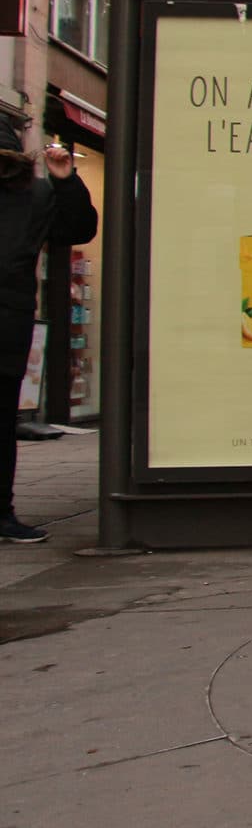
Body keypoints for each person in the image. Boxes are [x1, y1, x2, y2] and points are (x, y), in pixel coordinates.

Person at [0, 121, 97, 544]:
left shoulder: (33, 195)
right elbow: (76, 229)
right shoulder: (33, 193)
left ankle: (2, 513)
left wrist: (65, 182)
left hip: (8, 319)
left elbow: (76, 229)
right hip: (10, 318)